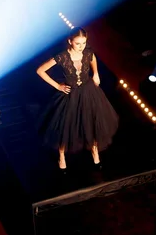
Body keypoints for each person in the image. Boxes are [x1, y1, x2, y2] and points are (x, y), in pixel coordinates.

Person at [36, 27, 118, 170]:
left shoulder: (87, 52)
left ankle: (94, 150)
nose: (81, 46)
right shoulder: (62, 57)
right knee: (65, 125)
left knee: (92, 121)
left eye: (84, 43)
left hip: (88, 91)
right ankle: (61, 155)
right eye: (78, 43)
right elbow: (40, 70)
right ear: (70, 41)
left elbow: (93, 59)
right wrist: (57, 85)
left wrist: (96, 73)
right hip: (70, 93)